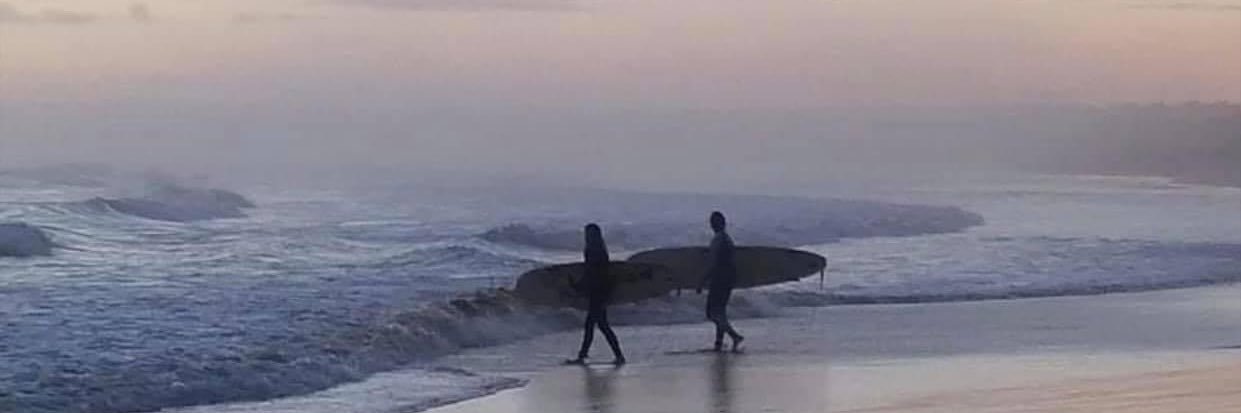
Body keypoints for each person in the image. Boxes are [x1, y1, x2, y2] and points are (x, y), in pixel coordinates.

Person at [565, 223, 626, 365]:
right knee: (597, 326)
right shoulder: (601, 250)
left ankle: (616, 356)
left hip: (597, 293)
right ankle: (586, 355)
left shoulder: (592, 250)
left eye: (587, 233)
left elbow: (591, 273)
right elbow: (600, 273)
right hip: (602, 291)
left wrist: (577, 286)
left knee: (598, 326)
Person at [698, 211, 744, 352]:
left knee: (711, 313)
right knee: (720, 313)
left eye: (713, 222)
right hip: (728, 278)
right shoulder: (728, 239)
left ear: (714, 224)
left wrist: (702, 281)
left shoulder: (717, 240)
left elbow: (713, 263)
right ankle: (718, 343)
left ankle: (735, 336)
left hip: (719, 279)